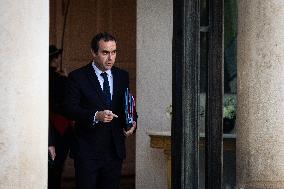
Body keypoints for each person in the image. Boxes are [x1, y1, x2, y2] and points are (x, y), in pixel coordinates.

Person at [64, 32, 137, 189]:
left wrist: (132, 122)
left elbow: (127, 104)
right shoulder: (78, 77)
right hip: (87, 152)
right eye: (105, 52)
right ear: (93, 52)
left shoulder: (122, 76)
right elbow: (70, 109)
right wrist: (96, 115)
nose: (110, 58)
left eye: (114, 52)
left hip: (114, 151)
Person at [48, 45, 74, 189]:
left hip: (47, 126)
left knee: (50, 164)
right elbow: (71, 100)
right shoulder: (60, 79)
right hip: (60, 127)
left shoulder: (41, 77)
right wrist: (67, 79)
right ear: (55, 59)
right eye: (58, 57)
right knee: (56, 166)